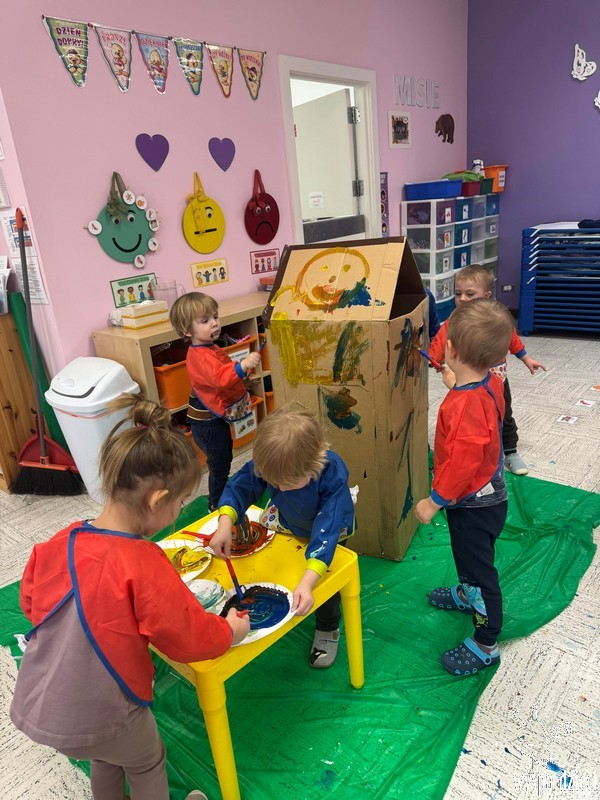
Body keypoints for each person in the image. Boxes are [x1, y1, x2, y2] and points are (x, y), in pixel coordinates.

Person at [10, 393, 250, 800]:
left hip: (46, 705)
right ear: (157, 500)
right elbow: (188, 637)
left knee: (106, 757)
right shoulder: (143, 561)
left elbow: (31, 603)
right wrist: (229, 631)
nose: (178, 512)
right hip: (108, 712)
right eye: (180, 503)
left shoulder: (60, 540)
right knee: (145, 761)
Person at [210, 405, 355, 669]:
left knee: (325, 583)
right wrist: (224, 523)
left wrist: (308, 582)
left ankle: (327, 626)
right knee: (287, 568)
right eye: (274, 483)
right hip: (290, 522)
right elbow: (240, 487)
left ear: (315, 464)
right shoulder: (272, 465)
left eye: (287, 484)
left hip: (331, 532)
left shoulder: (331, 475)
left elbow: (327, 529)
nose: (280, 489)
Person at [415, 299, 514, 676]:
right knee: (467, 556)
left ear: (452, 351)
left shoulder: (463, 406)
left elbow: (463, 462)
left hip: (474, 504)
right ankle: (466, 590)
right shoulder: (491, 380)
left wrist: (434, 500)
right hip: (481, 497)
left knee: (479, 567)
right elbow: (482, 411)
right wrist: (457, 383)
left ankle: (487, 642)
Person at [429, 264, 546, 475]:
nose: (462, 299)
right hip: (469, 380)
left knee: (504, 415)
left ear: (487, 295)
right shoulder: (455, 319)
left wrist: (526, 358)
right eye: (458, 293)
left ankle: (510, 452)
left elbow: (511, 339)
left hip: (498, 380)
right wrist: (433, 359)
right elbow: (440, 340)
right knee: (472, 417)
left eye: (470, 294)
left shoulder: (495, 318)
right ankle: (475, 451)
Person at [169, 292, 261, 511]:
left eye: (215, 317)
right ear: (187, 330)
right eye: (205, 321)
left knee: (224, 455)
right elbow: (220, 377)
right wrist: (243, 365)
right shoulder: (198, 356)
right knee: (219, 465)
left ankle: (220, 496)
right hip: (206, 424)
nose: (214, 323)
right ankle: (216, 504)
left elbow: (225, 374)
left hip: (214, 420)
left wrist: (244, 379)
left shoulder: (211, 348)